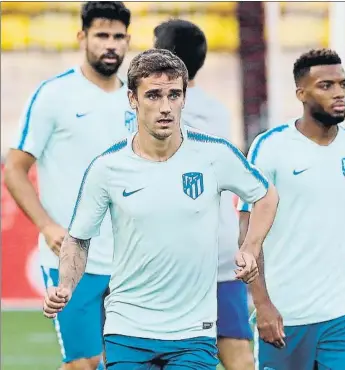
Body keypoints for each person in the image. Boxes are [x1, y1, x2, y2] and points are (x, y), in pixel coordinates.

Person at [42, 48, 279, 370]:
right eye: (153, 95)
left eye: (174, 95)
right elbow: (78, 238)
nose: (165, 107)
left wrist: (250, 248)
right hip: (127, 331)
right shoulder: (107, 167)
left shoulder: (214, 154)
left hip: (194, 334)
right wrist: (67, 285)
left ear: (184, 97)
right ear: (132, 99)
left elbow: (266, 195)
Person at [4, 2, 132, 369]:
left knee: (128, 361)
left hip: (131, 260)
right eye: (102, 35)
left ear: (128, 41)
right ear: (82, 37)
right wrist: (47, 226)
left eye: (118, 37)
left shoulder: (137, 102)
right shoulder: (53, 95)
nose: (111, 44)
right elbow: (15, 168)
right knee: (84, 362)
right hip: (73, 261)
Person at [238, 48, 345, 370]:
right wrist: (261, 305)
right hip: (285, 316)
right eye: (326, 86)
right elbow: (247, 232)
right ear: (301, 94)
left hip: (342, 314)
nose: (339, 93)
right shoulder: (270, 146)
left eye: (343, 84)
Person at [153, 19, 255, 370]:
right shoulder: (217, 112)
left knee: (146, 351)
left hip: (173, 252)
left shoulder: (148, 112)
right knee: (237, 349)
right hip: (222, 248)